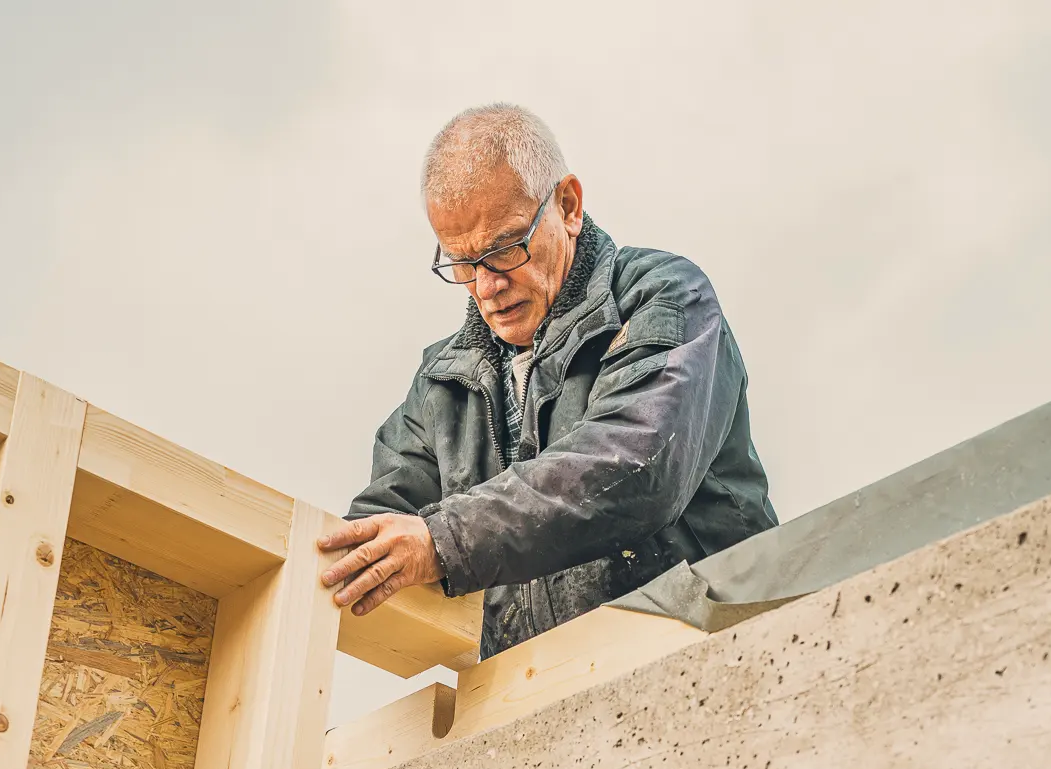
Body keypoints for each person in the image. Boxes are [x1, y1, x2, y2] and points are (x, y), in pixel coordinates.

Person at [318, 103, 776, 661]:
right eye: (462, 264)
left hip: (713, 655)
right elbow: (380, 529)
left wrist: (442, 540)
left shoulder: (664, 296)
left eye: (505, 249)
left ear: (568, 205)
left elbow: (633, 467)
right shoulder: (442, 387)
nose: (486, 286)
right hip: (537, 700)